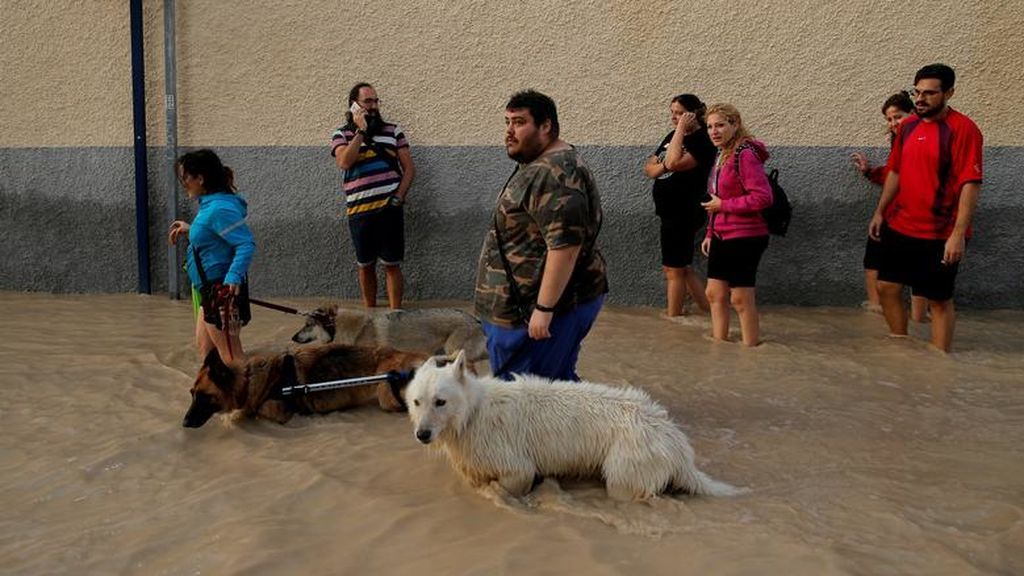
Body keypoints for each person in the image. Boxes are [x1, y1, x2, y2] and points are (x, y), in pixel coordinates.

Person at [475, 90, 608, 381]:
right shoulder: (540, 165)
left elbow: (565, 248)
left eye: (519, 122)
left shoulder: (555, 174)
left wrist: (544, 309)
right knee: (546, 390)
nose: (509, 132)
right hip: (520, 308)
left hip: (540, 311)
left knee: (533, 398)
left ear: (545, 126)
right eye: (507, 122)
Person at [868, 64, 982, 353]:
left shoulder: (963, 129)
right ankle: (902, 350)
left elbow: (970, 183)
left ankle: (939, 362)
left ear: (949, 93)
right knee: (887, 288)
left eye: (930, 93)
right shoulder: (907, 126)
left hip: (941, 232)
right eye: (918, 92)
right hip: (902, 224)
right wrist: (880, 211)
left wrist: (958, 234)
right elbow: (895, 171)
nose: (920, 99)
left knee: (938, 300)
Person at [330, 82, 415, 309]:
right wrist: (361, 131)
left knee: (392, 265)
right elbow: (344, 161)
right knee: (365, 265)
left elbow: (409, 169)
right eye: (368, 101)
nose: (374, 106)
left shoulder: (393, 131)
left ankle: (395, 314)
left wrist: (398, 197)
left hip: (389, 210)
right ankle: (370, 313)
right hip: (360, 213)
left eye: (376, 101)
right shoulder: (342, 134)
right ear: (354, 106)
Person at [168, 149, 256, 363]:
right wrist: (193, 230)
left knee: (233, 359)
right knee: (208, 356)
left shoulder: (219, 208)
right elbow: (217, 235)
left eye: (184, 177)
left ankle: (253, 395)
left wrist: (233, 278)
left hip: (220, 290)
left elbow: (246, 244)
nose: (183, 183)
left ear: (200, 178)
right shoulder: (211, 205)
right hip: (209, 290)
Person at [851, 91, 928, 322]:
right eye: (889, 119)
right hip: (890, 211)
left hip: (913, 214)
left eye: (898, 116)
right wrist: (870, 172)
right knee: (873, 258)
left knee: (917, 266)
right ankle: (876, 310)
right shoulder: (900, 140)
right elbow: (893, 173)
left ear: (913, 113)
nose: (893, 123)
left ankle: (918, 317)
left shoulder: (924, 138)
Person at [699, 104, 772, 347]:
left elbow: (763, 197)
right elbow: (714, 199)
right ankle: (720, 348)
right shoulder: (721, 154)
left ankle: (751, 349)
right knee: (714, 293)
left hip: (747, 236)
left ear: (735, 124)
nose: (714, 131)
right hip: (721, 233)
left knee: (740, 298)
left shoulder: (745, 154)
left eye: (720, 125)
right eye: (710, 126)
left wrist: (725, 206)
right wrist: (710, 232)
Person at [643, 94, 716, 318]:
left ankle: (672, 318)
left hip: (684, 211)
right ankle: (710, 310)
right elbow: (649, 168)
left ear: (693, 114)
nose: (674, 118)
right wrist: (663, 165)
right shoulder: (672, 135)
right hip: (669, 211)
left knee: (672, 269)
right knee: (682, 266)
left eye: (679, 113)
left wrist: (681, 131)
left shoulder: (702, 140)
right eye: (672, 113)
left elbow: (673, 162)